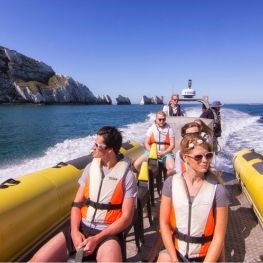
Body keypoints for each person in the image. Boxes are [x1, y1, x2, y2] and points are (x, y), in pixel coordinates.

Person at [29, 126, 137, 262]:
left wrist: (97, 238)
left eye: (98, 145)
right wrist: (74, 231)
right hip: (81, 228)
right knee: (36, 260)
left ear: (110, 150)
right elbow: (76, 205)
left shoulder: (127, 176)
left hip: (107, 234)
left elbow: (127, 217)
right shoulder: (90, 168)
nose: (93, 147)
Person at [157, 134, 229, 262]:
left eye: (208, 155)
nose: (205, 160)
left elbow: (219, 237)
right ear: (186, 158)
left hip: (204, 257)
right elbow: (164, 223)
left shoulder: (218, 191)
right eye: (198, 157)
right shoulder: (171, 184)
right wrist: (174, 259)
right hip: (176, 252)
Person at [133, 111, 175, 175]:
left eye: (163, 119)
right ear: (156, 119)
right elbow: (146, 143)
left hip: (166, 153)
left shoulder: (170, 129)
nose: (161, 121)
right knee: (136, 165)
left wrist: (163, 152)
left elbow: (172, 145)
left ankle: (167, 182)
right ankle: (148, 175)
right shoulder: (151, 129)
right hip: (151, 153)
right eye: (160, 119)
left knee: (172, 169)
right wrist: (152, 152)